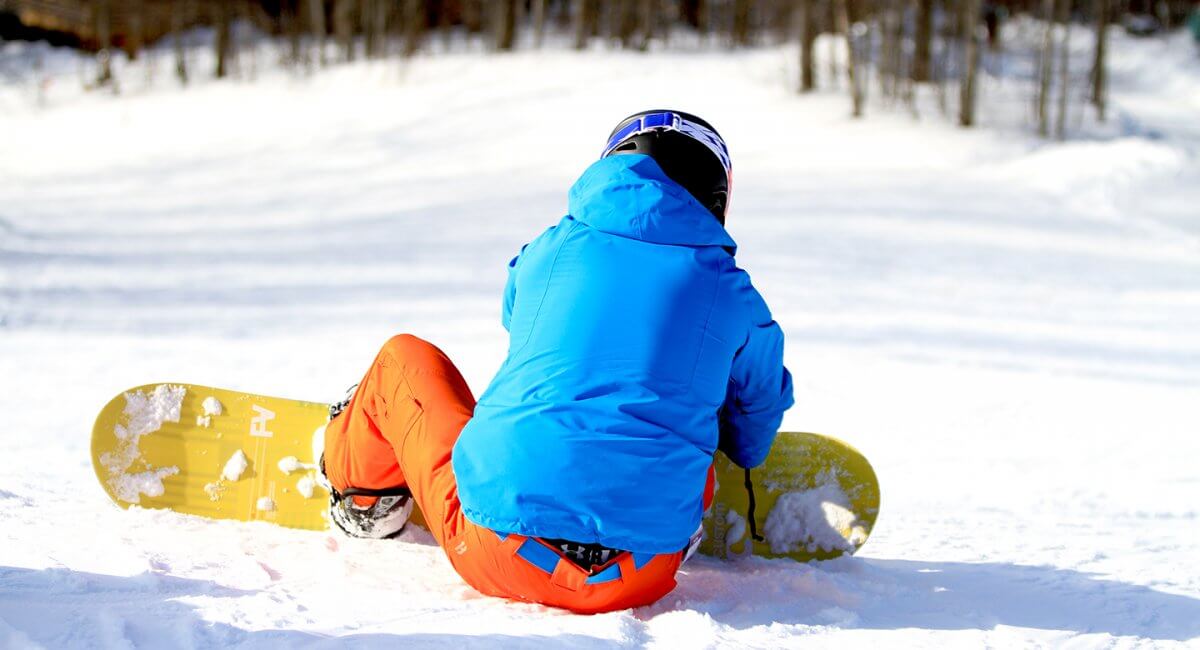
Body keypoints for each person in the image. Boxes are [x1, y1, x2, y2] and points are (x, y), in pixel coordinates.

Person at [319, 110, 794, 614]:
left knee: (402, 358)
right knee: (688, 417)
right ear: (716, 199)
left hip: (493, 550)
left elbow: (515, 323)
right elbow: (753, 435)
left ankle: (366, 498)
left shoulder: (548, 250)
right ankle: (656, 513)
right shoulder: (736, 293)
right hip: (643, 573)